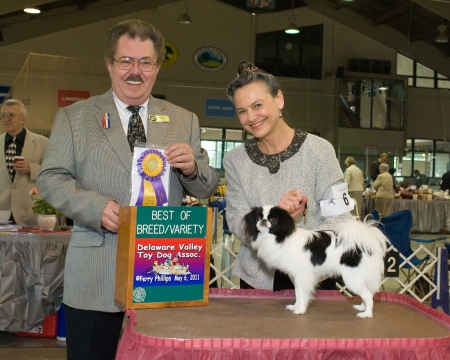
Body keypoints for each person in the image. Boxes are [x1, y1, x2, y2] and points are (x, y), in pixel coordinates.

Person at [37, 19, 218, 360]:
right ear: (110, 64)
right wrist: (94, 207)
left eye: (145, 62)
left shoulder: (185, 120)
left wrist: (193, 168)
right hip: (95, 274)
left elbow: (207, 186)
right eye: (126, 61)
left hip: (165, 271)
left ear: (157, 67)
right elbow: (50, 178)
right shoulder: (74, 117)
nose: (135, 71)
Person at [223, 61, 352, 291]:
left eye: (258, 105)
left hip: (313, 276)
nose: (251, 117)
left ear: (279, 99)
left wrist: (295, 234)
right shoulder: (234, 160)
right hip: (257, 280)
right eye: (242, 111)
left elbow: (341, 219)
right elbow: (237, 221)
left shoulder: (320, 150)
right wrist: (279, 220)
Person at [0, 99, 48, 225]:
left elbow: (53, 174)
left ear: (23, 119)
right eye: (3, 115)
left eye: (10, 115)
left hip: (30, 213)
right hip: (2, 213)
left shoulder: (43, 143)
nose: (6, 119)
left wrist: (31, 169)